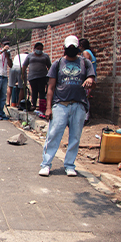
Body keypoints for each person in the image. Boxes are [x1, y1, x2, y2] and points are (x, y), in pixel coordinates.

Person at [39, 35, 96, 177]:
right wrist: (48, 107)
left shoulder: (85, 63)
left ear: (77, 48)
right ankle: (46, 164)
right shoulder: (57, 64)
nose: (71, 49)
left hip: (79, 105)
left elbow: (93, 81)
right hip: (60, 104)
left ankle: (69, 165)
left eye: (73, 48)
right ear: (64, 48)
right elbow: (51, 87)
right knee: (53, 135)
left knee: (75, 137)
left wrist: (89, 80)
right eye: (68, 47)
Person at [23, 42, 51, 111]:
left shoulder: (45, 56)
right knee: (34, 91)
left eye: (41, 49)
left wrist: (50, 76)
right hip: (33, 76)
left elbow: (49, 66)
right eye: (38, 48)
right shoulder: (30, 56)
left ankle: (42, 106)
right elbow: (24, 65)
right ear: (34, 49)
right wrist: (22, 73)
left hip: (42, 76)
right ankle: (34, 105)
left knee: (42, 91)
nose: (39, 50)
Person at [79, 39, 97, 125]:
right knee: (86, 97)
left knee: (85, 97)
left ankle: (86, 117)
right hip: (90, 77)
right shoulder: (89, 52)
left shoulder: (85, 53)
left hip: (88, 78)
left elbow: (86, 66)